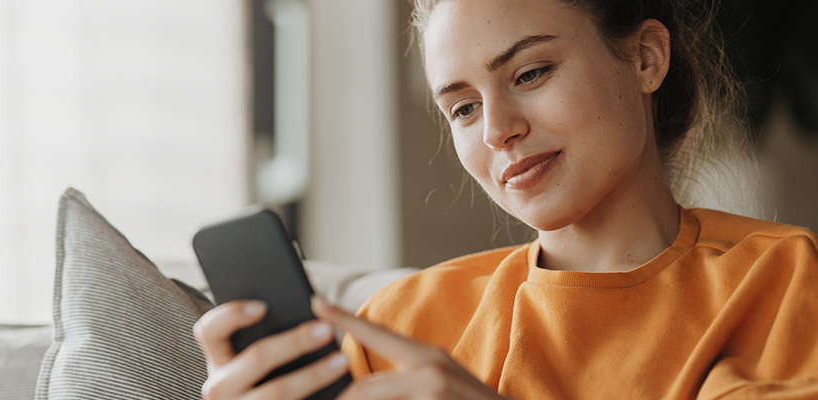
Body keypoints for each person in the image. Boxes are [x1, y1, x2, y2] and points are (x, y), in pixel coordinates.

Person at [192, 0, 818, 398]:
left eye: (529, 74)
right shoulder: (396, 322)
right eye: (463, 107)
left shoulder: (781, 280)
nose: (497, 130)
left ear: (645, 57)